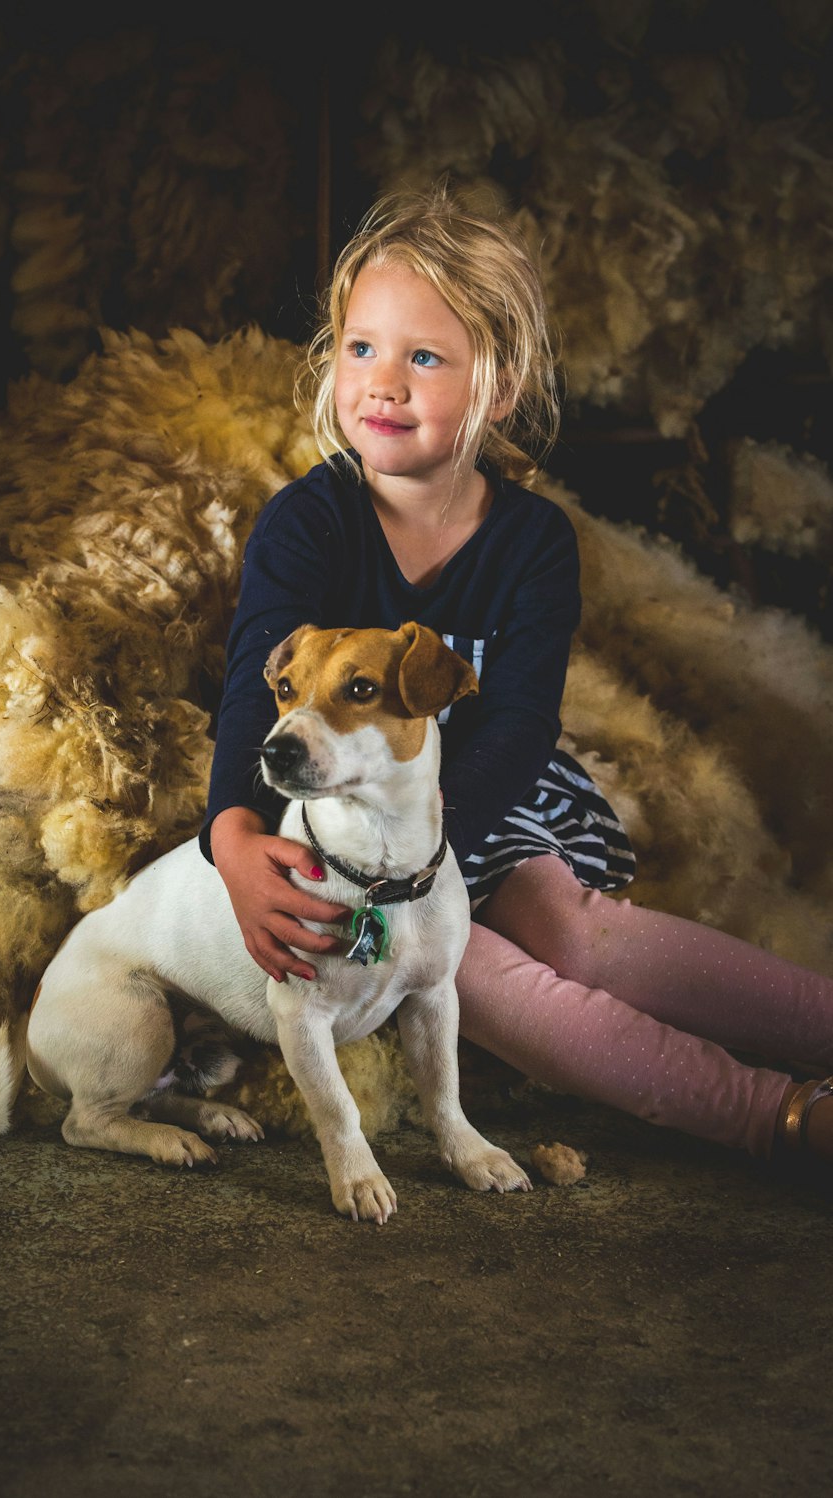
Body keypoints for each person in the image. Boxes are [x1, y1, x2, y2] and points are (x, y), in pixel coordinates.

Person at [200, 181, 833, 1171]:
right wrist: (231, 838)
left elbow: (524, 721)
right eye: (361, 349)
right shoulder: (305, 523)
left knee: (577, 940)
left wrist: (433, 835)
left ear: (497, 387)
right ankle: (781, 1116)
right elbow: (253, 693)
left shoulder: (532, 540)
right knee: (481, 981)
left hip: (482, 800)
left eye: (424, 358)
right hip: (345, 835)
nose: (383, 383)